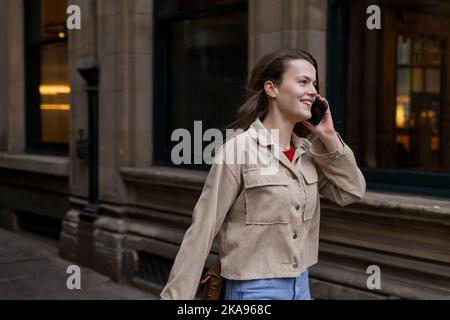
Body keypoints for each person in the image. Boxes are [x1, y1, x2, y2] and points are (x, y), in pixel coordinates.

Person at [160, 49, 366, 300]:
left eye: (314, 83)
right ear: (272, 89)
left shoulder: (307, 153)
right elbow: (201, 231)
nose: (313, 90)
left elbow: (352, 191)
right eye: (302, 82)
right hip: (253, 291)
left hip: (300, 287)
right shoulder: (238, 150)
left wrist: (329, 136)